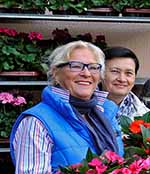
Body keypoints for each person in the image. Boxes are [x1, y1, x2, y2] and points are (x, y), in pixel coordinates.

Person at [10, 41, 124, 173]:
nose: (86, 73)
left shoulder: (106, 112)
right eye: (75, 66)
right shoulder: (36, 122)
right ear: (55, 73)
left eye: (93, 67)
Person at [102, 47, 150, 121]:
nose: (122, 79)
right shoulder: (83, 109)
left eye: (128, 73)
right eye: (115, 71)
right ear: (101, 73)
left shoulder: (145, 115)